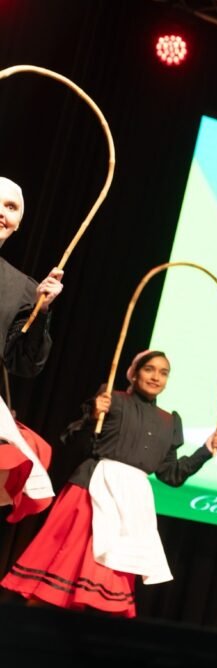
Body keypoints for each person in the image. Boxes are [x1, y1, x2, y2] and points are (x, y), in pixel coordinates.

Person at [0, 350, 217, 616]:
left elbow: (170, 475)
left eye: (164, 373)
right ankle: (30, 626)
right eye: (149, 369)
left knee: (105, 583)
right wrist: (94, 416)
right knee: (66, 570)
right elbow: (72, 442)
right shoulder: (111, 400)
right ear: (134, 373)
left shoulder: (169, 421)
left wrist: (204, 452)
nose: (156, 377)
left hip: (132, 506)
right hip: (91, 494)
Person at [0, 176, 64, 521]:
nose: (2, 212)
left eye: (10, 207)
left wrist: (40, 311)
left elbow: (24, 363)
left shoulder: (22, 288)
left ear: (18, 224)